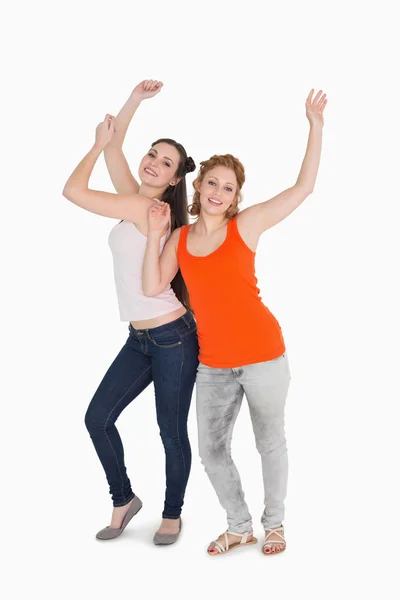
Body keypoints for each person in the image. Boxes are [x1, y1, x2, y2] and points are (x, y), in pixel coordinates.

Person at [142, 88, 327, 555]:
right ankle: (239, 525)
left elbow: (303, 189)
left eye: (229, 188)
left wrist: (315, 126)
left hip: (264, 356)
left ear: (236, 196)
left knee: (270, 443)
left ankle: (276, 524)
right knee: (211, 451)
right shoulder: (180, 238)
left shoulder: (246, 226)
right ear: (199, 186)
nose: (219, 193)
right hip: (214, 364)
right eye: (212, 183)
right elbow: (151, 286)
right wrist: (152, 234)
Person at [62, 80, 198, 545]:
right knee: (98, 418)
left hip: (172, 338)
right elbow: (118, 148)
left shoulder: (144, 206)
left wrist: (96, 144)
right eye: (153, 154)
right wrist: (135, 101)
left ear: (176, 179)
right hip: (139, 340)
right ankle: (124, 499)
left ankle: (172, 513)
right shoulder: (141, 201)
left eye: (166, 162)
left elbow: (73, 190)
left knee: (169, 432)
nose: (154, 163)